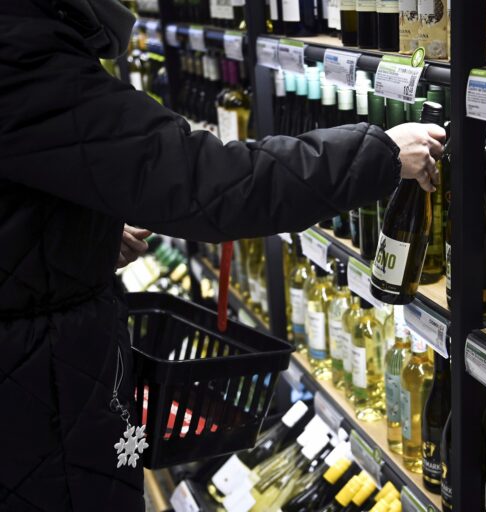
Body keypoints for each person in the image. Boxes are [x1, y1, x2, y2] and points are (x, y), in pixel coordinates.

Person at [0, 0, 445, 510]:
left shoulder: (26, 43)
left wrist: (80, 237)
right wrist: (379, 155)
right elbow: (202, 182)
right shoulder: (22, 51)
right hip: (41, 411)